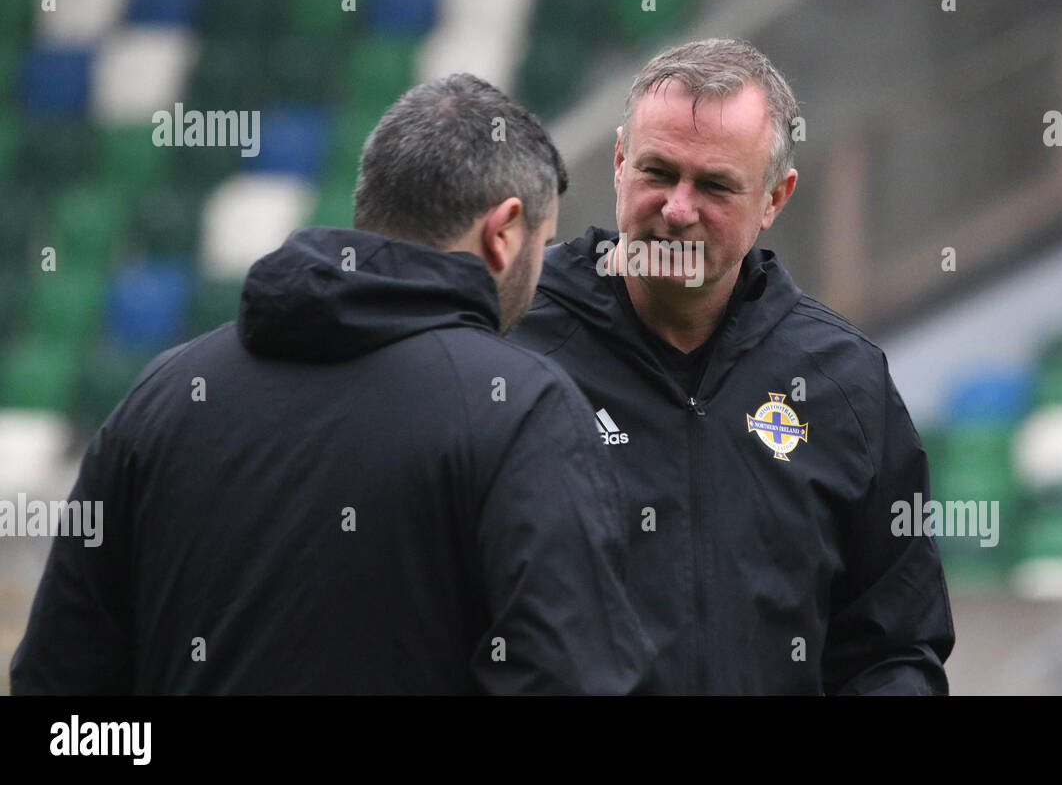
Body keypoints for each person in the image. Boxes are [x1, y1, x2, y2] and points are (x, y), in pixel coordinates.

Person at [10, 74, 652, 695]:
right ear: (505, 230)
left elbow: (61, 696)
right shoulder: (522, 408)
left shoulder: (162, 395)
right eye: (545, 241)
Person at [511, 39, 955, 694]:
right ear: (618, 162)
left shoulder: (843, 383)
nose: (678, 210)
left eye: (715, 185)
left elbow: (893, 650)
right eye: (658, 172)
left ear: (776, 197)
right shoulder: (510, 347)